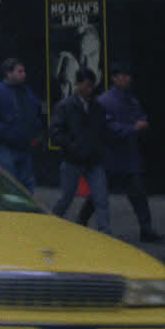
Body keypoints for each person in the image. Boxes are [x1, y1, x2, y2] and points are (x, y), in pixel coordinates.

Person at [85, 62, 165, 242]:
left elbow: (134, 119)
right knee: (98, 195)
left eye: (127, 75)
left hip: (125, 157)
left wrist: (138, 125)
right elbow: (107, 127)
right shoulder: (105, 101)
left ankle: (146, 229)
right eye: (122, 75)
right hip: (112, 156)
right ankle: (81, 222)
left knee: (136, 194)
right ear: (114, 78)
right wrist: (133, 128)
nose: (126, 79)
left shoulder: (127, 100)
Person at [48, 66, 112, 232]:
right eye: (86, 85)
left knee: (101, 198)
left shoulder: (96, 106)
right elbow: (55, 132)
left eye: (91, 85)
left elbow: (102, 129)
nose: (89, 89)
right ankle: (49, 223)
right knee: (66, 198)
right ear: (77, 84)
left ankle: (105, 231)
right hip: (73, 159)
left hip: (92, 159)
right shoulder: (65, 106)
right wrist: (72, 146)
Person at [0, 57, 46, 191]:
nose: (23, 74)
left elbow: (37, 111)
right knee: (9, 182)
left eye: (23, 71)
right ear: (9, 73)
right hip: (4, 146)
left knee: (27, 182)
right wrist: (3, 132)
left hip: (23, 145)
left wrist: (35, 130)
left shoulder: (26, 92)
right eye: (20, 71)